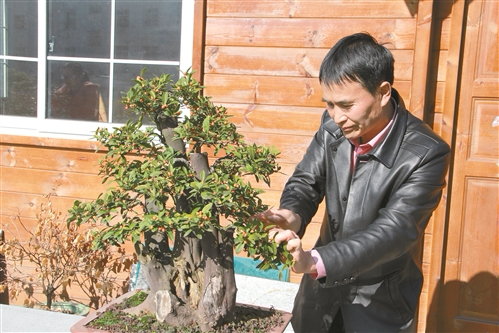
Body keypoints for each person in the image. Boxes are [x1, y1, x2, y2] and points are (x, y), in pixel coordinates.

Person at [256, 32, 450, 332]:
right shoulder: (332, 126)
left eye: (346, 105)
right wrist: (291, 214)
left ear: (383, 92)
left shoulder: (426, 153)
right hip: (319, 298)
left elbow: (395, 231)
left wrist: (313, 261)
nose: (336, 117)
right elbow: (307, 182)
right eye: (330, 105)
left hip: (379, 304)